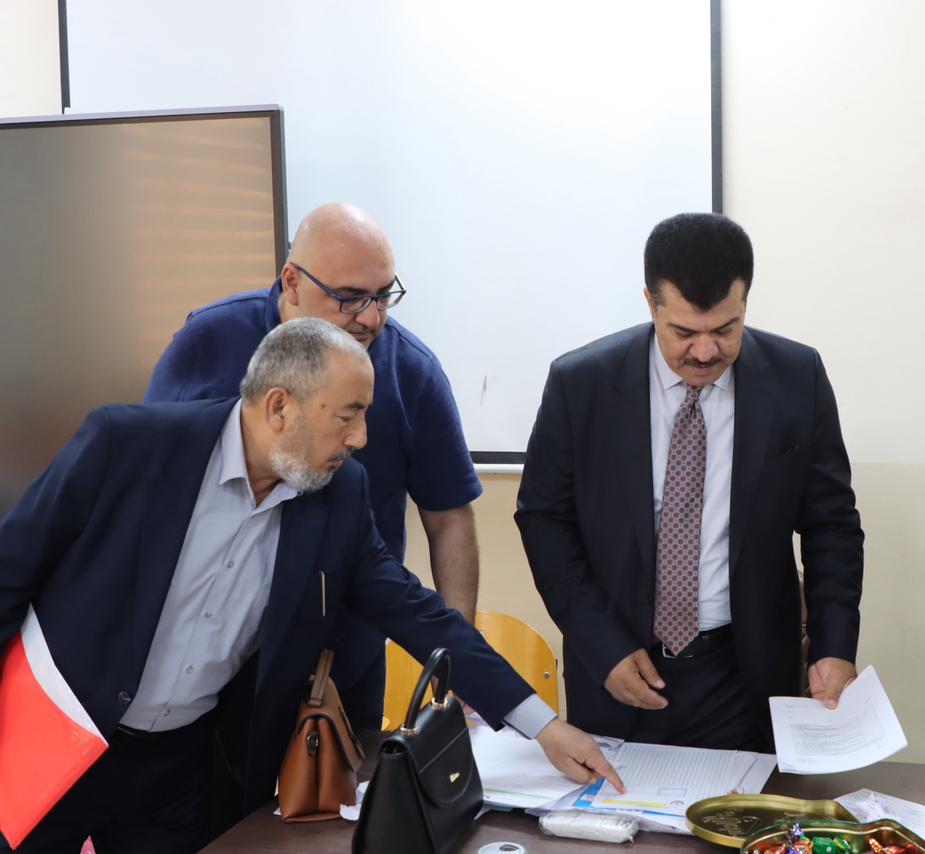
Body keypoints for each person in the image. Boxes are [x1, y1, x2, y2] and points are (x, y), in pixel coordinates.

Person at [0, 318, 620, 853]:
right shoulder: (128, 445)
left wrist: (543, 725)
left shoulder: (337, 497)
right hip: (56, 741)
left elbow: (415, 611)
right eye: (348, 415)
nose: (361, 438)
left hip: (182, 767)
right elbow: (11, 570)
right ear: (279, 407)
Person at [515, 212, 865, 751]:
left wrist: (833, 645)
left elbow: (832, 525)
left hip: (745, 675)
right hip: (619, 668)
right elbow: (544, 519)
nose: (705, 353)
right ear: (650, 304)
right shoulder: (581, 385)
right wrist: (600, 644)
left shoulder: (797, 379)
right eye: (684, 332)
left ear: (745, 303)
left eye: (725, 330)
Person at [144, 202, 480, 732]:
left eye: (383, 295)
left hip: (338, 661)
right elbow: (152, 480)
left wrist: (455, 659)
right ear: (292, 281)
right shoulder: (209, 339)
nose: (371, 318)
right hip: (202, 654)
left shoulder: (412, 372)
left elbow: (449, 516)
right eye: (349, 297)